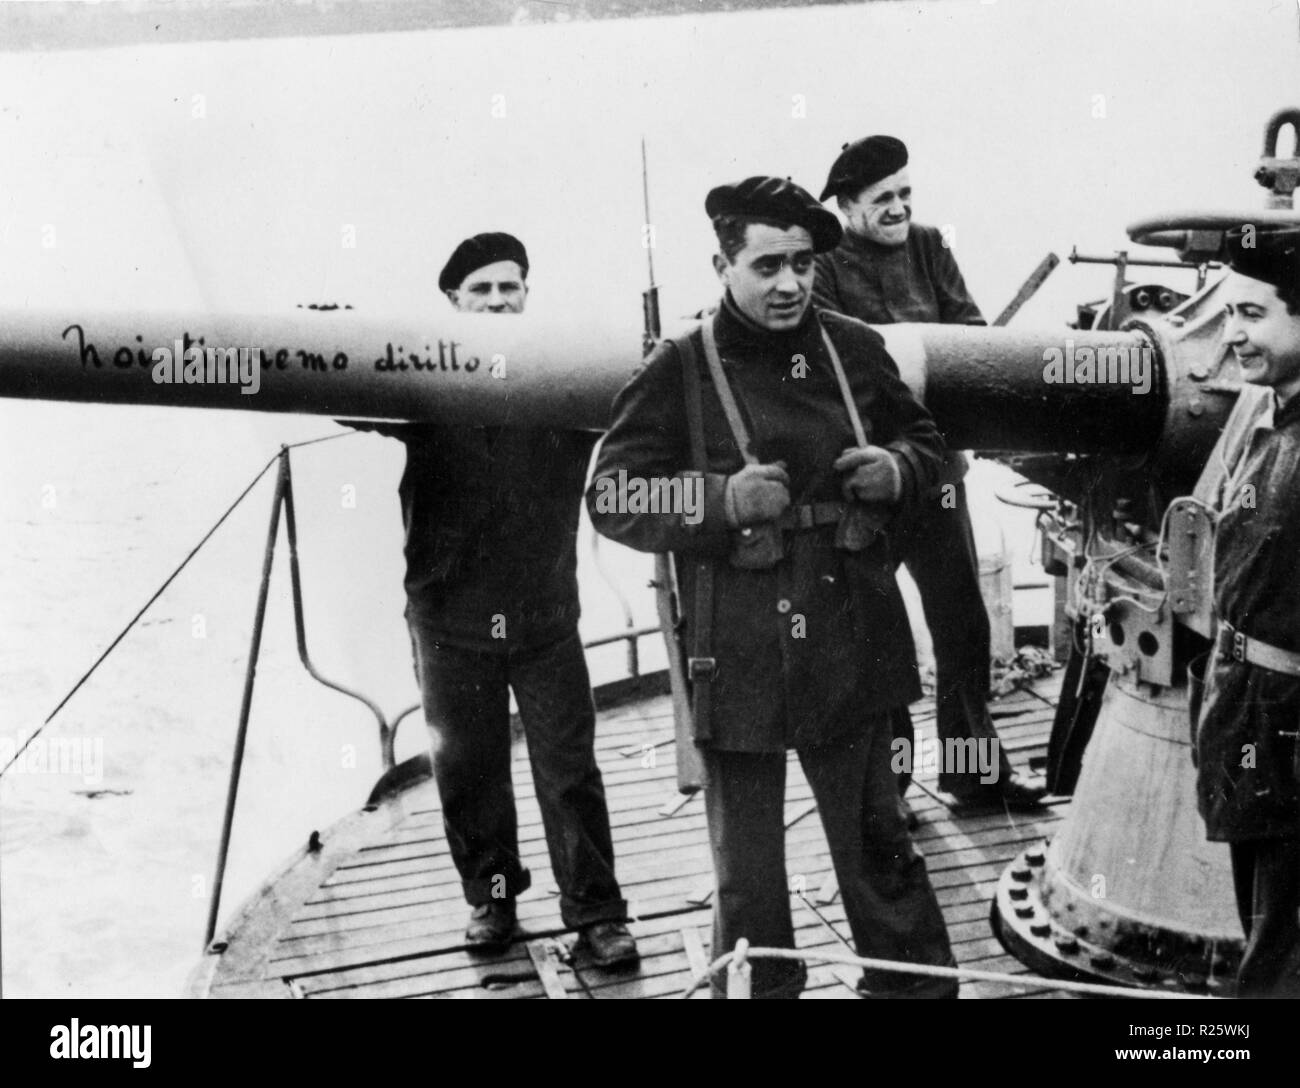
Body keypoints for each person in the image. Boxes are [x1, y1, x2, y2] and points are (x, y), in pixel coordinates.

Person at [588, 176, 957, 998]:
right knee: (748, 875)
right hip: (742, 643)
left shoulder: (855, 347)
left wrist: (900, 469)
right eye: (767, 266)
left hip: (850, 628)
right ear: (724, 265)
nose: (790, 283)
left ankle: (915, 991)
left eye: (802, 263)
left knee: (879, 844)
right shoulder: (677, 369)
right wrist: (718, 501)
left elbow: (931, 446)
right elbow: (612, 495)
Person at [384, 232, 637, 966]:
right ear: (454, 304)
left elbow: (637, 406)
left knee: (569, 771)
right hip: (448, 615)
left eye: (511, 287)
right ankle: (492, 900)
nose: (499, 301)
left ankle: (596, 913)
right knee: (468, 769)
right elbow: (342, 399)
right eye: (482, 291)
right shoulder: (425, 380)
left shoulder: (561, 376)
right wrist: (325, 335)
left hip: (543, 616)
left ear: (528, 295)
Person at [814, 135, 1046, 810]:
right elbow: (832, 360)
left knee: (963, 630)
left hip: (938, 472)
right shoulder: (824, 262)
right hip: (869, 482)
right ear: (849, 205)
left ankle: (973, 773)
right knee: (878, 643)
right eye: (883, 198)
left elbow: (969, 335)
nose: (898, 208)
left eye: (906, 195)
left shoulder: (930, 246)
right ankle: (889, 790)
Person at [1191, 227, 1300, 997]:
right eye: (1230, 315)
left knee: (1280, 949)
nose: (1234, 335)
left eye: (1254, 315)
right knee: (1258, 911)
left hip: (1288, 722)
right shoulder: (1268, 416)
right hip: (1243, 708)